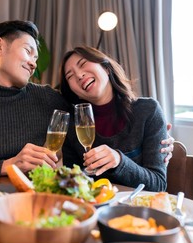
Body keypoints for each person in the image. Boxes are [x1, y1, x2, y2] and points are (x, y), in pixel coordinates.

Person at [0, 20, 173, 187]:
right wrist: (5, 166)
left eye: (36, 56)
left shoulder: (51, 99)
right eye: (28, 51)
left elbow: (99, 117)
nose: (34, 62)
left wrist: (158, 138)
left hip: (39, 211)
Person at [59, 46, 168, 191]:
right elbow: (72, 185)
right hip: (96, 210)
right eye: (70, 76)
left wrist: (120, 161)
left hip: (137, 209)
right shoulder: (73, 125)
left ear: (106, 68)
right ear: (74, 93)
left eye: (83, 64)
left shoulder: (148, 110)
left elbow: (158, 184)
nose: (79, 75)